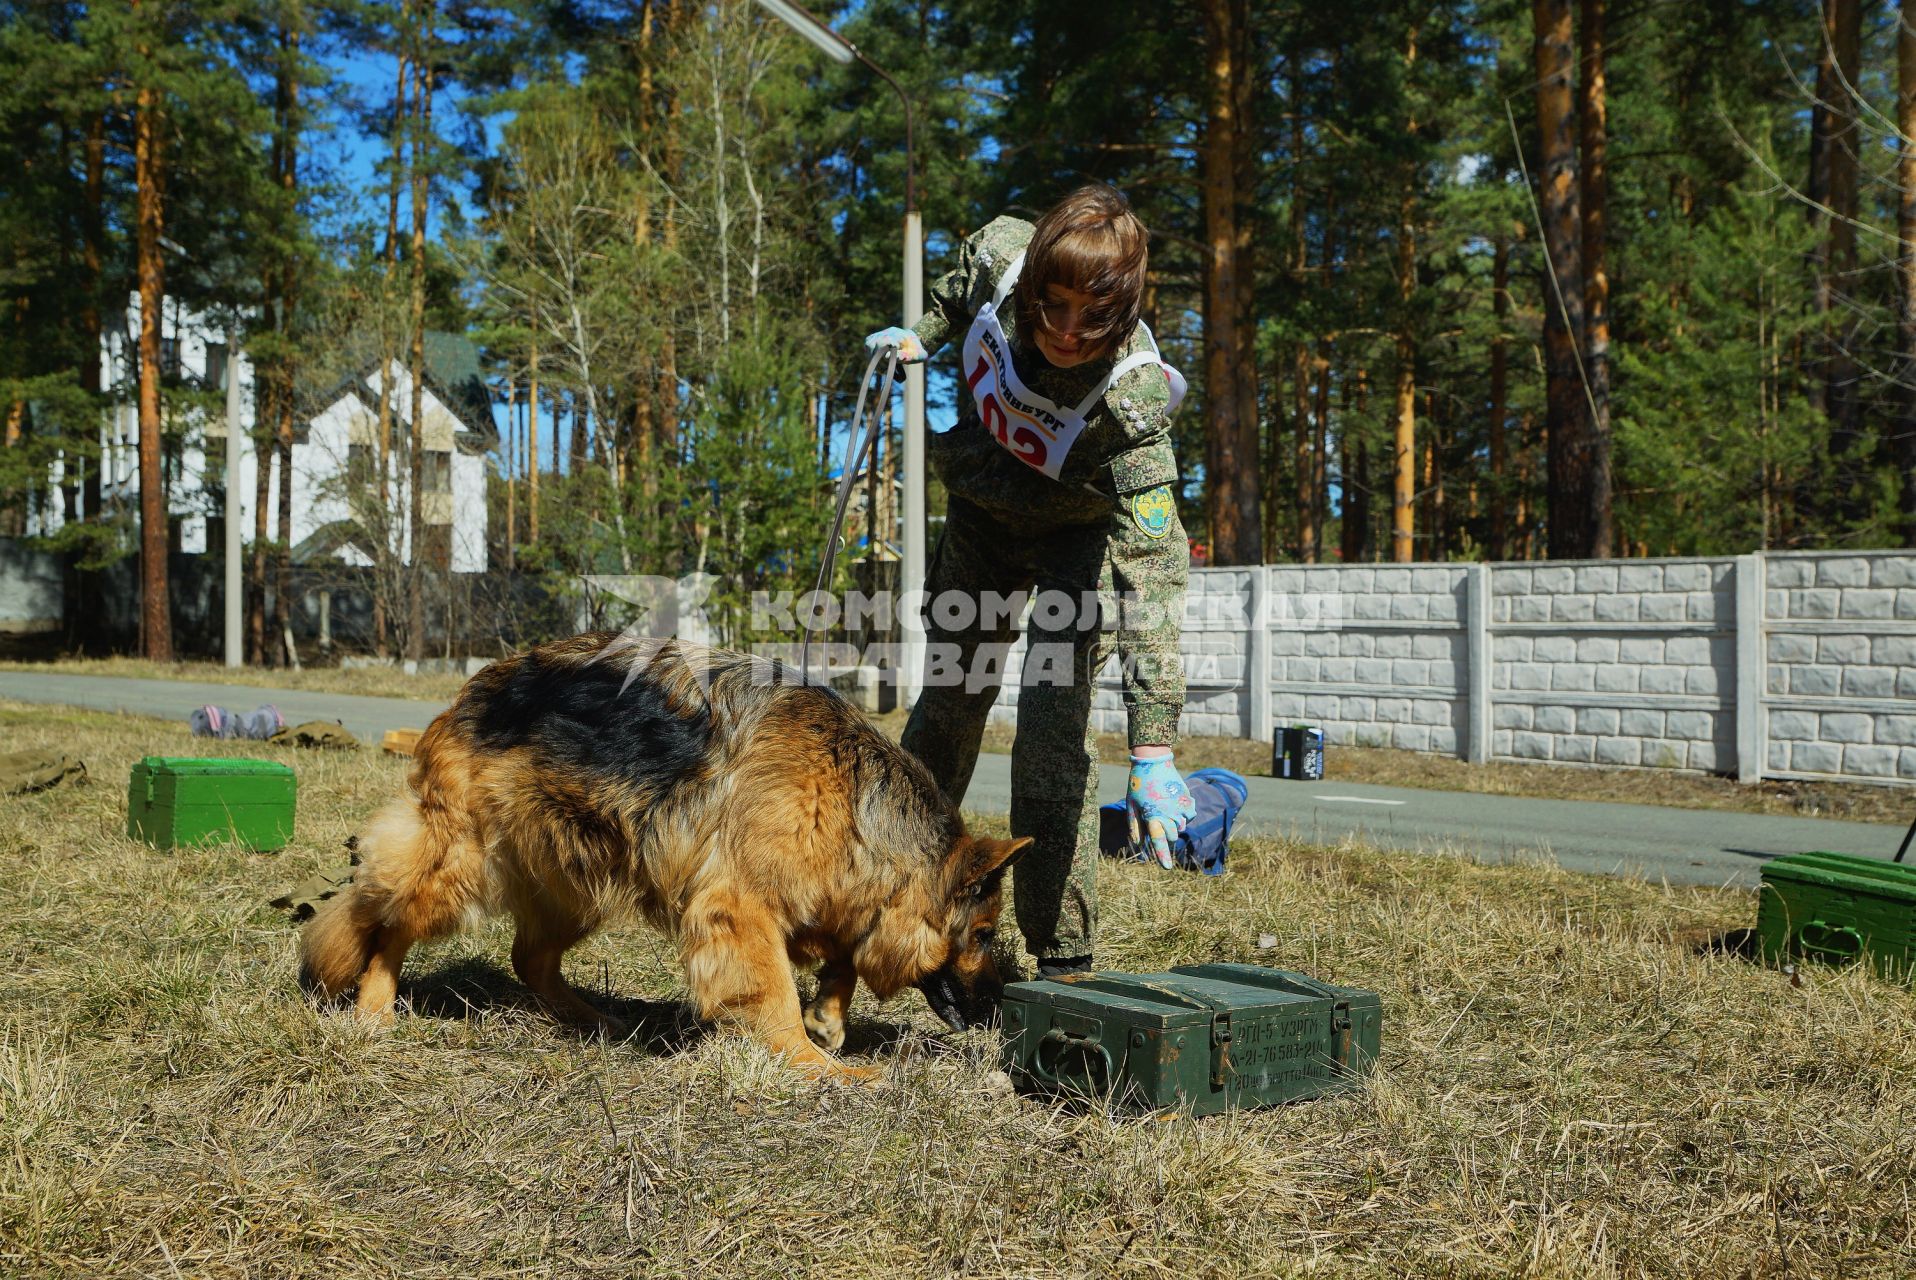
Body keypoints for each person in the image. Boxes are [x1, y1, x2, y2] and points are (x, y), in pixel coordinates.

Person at [866, 183, 1194, 980]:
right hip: (983, 513)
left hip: (1078, 544)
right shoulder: (1001, 253)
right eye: (1053, 307)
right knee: (948, 704)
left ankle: (1061, 956)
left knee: (1053, 733)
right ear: (1034, 277)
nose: (1068, 333)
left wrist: (1154, 745)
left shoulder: (1133, 401)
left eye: (1095, 318)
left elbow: (1153, 575)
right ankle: (887, 903)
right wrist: (919, 338)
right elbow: (957, 296)